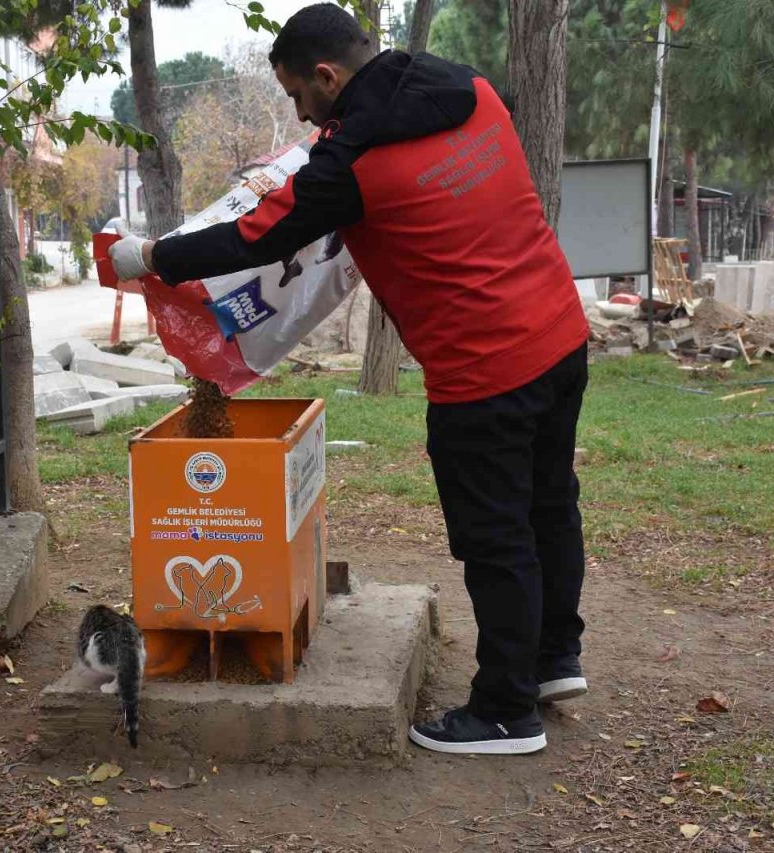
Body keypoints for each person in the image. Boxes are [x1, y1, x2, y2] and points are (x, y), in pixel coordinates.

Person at [109, 3, 589, 756]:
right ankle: (556, 658)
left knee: (496, 536)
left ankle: (505, 710)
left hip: (482, 371)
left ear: (327, 76)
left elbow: (251, 236)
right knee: (551, 504)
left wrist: (151, 255)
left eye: (300, 97)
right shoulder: (473, 90)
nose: (302, 115)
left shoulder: (354, 165)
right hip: (560, 337)